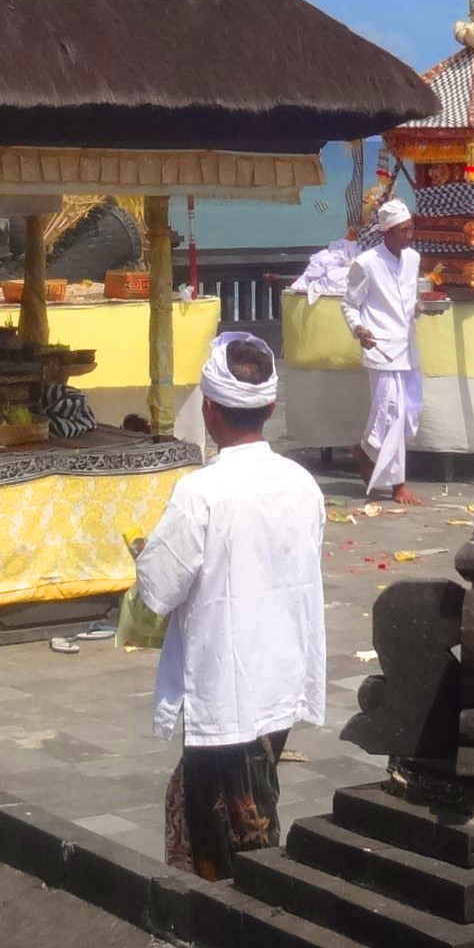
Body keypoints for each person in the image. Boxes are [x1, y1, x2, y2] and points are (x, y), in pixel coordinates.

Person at [131, 332, 329, 882]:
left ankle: (245, 912)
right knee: (242, 802)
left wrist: (144, 559)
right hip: (280, 672)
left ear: (211, 410)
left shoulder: (201, 492)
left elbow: (160, 589)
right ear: (269, 407)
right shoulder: (302, 483)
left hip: (226, 683)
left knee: (238, 829)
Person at [343, 198, 436, 504]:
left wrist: (423, 306)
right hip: (380, 347)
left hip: (407, 346)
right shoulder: (366, 262)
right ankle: (398, 485)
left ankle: (365, 450)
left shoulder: (413, 258)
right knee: (392, 412)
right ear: (387, 232)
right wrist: (360, 330)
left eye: (411, 229)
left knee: (409, 410)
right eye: (403, 230)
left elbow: (410, 299)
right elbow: (350, 305)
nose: (409, 235)